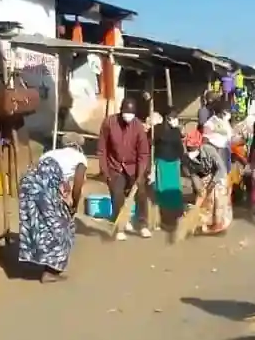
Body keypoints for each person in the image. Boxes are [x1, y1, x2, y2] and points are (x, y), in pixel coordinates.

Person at [18, 135, 86, 283]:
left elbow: (40, 172)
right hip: (45, 188)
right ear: (78, 146)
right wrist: (74, 205)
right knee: (64, 227)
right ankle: (51, 271)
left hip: (28, 186)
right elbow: (78, 184)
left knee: (39, 224)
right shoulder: (80, 157)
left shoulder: (50, 153)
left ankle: (35, 258)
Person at [97, 95, 151, 241]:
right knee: (117, 195)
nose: (128, 116)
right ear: (121, 111)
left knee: (141, 194)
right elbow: (102, 149)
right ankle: (120, 226)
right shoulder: (109, 123)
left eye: (131, 114)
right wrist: (105, 170)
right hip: (114, 166)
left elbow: (143, 153)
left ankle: (143, 224)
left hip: (133, 166)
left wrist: (141, 175)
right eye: (126, 113)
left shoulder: (138, 127)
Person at [183, 129, 233, 234]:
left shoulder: (209, 150)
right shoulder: (187, 158)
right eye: (188, 148)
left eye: (192, 148)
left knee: (218, 198)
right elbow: (194, 175)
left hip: (218, 177)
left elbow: (221, 169)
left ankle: (218, 225)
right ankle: (203, 225)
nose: (190, 150)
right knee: (203, 201)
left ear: (199, 146)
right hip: (204, 178)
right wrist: (200, 189)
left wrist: (213, 183)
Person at [151, 106, 185, 218]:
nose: (175, 120)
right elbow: (152, 143)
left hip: (174, 163)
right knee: (162, 188)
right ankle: (164, 213)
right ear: (167, 118)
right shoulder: (157, 129)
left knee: (174, 188)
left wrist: (183, 160)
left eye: (176, 117)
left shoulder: (176, 131)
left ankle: (175, 212)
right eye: (173, 117)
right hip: (162, 163)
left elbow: (179, 147)